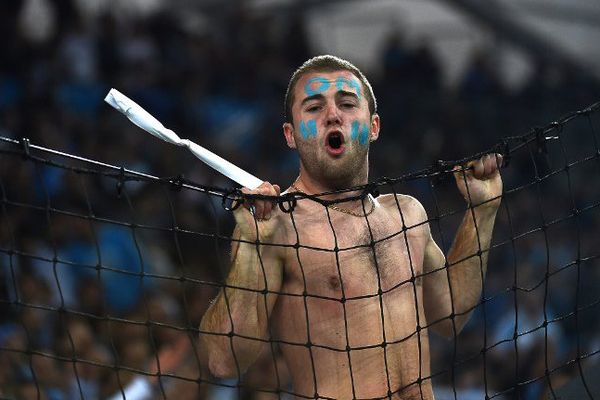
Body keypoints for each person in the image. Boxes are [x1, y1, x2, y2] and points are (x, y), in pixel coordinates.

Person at [200, 55, 503, 399]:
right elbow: (222, 361)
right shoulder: (277, 227)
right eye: (313, 108)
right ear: (291, 134)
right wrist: (252, 249)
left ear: (373, 126)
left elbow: (450, 315)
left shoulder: (407, 215)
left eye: (346, 103)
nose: (332, 115)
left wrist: (482, 211)